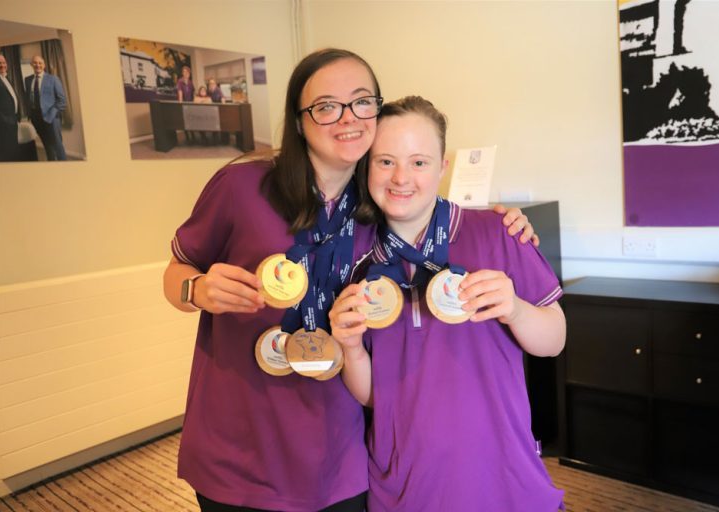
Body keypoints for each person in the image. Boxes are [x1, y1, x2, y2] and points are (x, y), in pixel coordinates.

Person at [163, 49, 536, 512]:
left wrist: (508, 220)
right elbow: (176, 273)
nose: (348, 118)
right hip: (240, 447)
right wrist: (195, 290)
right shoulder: (242, 185)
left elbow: (433, 213)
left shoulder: (382, 204)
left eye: (362, 102)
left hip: (339, 451)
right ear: (299, 121)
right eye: (325, 106)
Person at [329, 96, 566, 511]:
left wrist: (515, 309)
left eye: (419, 162)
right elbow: (373, 398)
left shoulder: (498, 232)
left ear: (442, 167)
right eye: (385, 161)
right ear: (367, 167)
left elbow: (555, 340)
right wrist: (349, 348)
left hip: (503, 477)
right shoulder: (356, 260)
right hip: (404, 486)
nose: (401, 177)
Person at [24, 55, 66, 161]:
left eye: (40, 63)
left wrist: (50, 116)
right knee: (47, 145)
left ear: (44, 65)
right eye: (35, 63)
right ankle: (51, 165)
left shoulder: (53, 79)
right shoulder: (28, 80)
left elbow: (61, 101)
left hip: (51, 119)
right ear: (31, 65)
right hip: (36, 119)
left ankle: (65, 167)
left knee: (57, 146)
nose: (37, 65)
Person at [0, 53, 19, 161]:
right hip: (3, 124)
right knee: (5, 154)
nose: (2, 65)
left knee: (12, 150)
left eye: (4, 62)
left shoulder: (7, 78)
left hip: (13, 121)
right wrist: (5, 120)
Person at [176, 65, 196, 144]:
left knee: (191, 120)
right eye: (184, 72)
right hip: (184, 103)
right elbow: (180, 92)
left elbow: (193, 93)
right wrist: (180, 104)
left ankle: (193, 135)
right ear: (182, 73)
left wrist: (194, 103)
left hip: (190, 103)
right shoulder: (180, 81)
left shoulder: (190, 82)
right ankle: (187, 137)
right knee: (185, 121)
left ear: (189, 73)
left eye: (187, 72)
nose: (185, 73)